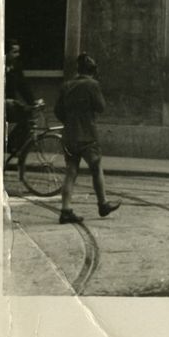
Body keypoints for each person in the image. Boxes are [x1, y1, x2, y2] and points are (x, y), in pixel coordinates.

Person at [55, 54, 120, 224]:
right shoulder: (92, 85)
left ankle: (65, 210)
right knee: (96, 169)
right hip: (88, 136)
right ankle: (102, 204)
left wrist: (69, 122)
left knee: (71, 171)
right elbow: (101, 107)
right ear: (93, 71)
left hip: (69, 135)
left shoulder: (67, 85)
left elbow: (57, 110)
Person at [4, 40, 35, 157]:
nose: (18, 55)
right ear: (5, 53)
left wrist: (33, 101)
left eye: (18, 52)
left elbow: (23, 85)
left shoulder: (16, 66)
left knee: (27, 117)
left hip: (10, 104)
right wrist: (3, 100)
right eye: (14, 52)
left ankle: (10, 145)